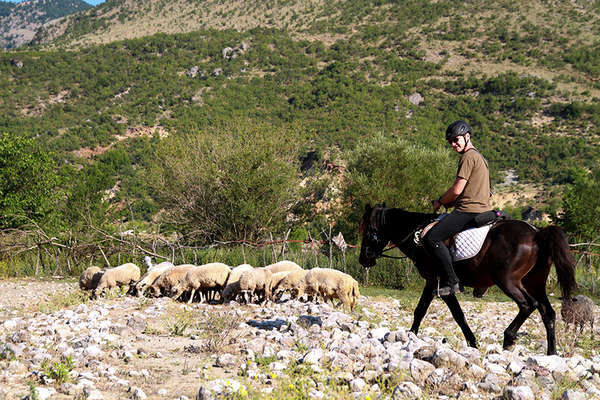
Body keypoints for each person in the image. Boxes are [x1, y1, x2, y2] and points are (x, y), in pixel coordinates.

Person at [423, 120, 492, 297]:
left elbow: (457, 190)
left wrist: (440, 201)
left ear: (467, 136)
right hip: (483, 208)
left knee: (432, 238)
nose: (453, 145)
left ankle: (452, 281)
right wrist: (449, 202)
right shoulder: (481, 158)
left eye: (456, 140)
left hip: (468, 210)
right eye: (450, 142)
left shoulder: (468, 157)